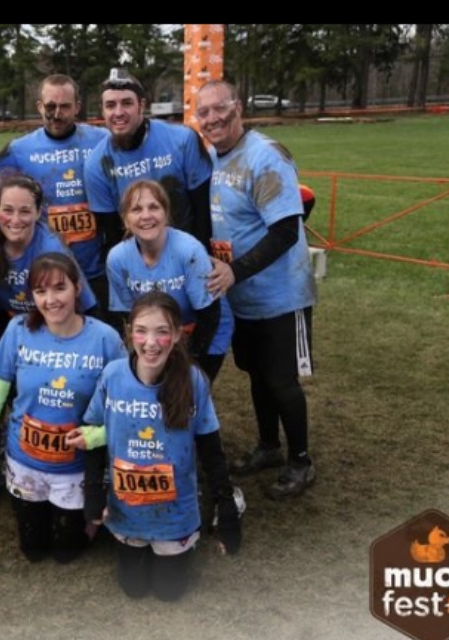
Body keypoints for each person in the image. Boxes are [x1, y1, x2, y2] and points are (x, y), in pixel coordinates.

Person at [67, 292, 242, 601]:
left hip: (175, 514)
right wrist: (93, 492)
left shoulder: (194, 381)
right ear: (129, 332)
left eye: (161, 332)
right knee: (133, 590)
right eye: (141, 331)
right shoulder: (112, 376)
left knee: (168, 593)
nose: (150, 343)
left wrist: (225, 505)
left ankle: (182, 544)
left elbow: (210, 447)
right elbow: (92, 433)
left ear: (176, 335)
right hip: (127, 513)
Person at [197, 80, 318, 499]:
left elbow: (286, 231)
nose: (212, 118)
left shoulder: (265, 155)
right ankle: (269, 446)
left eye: (219, 108)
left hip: (282, 296)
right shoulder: (212, 158)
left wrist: (235, 271)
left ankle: (301, 461)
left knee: (282, 381)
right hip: (242, 298)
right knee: (257, 374)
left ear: (239, 108)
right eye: (203, 112)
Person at [0, 253, 125, 562]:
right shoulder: (18, 329)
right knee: (33, 550)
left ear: (77, 288)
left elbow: (127, 407)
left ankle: (91, 518)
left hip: (76, 468)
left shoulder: (105, 339)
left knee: (67, 552)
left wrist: (96, 437)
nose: (51, 300)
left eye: (59, 288)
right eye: (41, 291)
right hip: (25, 461)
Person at [0, 175, 99, 509]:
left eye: (25, 211)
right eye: (7, 210)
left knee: (51, 398)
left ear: (39, 212)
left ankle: (82, 467)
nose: (15, 219)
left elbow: (84, 306)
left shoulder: (50, 248)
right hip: (10, 328)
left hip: (54, 327)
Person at [0, 74, 110, 309]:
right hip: (46, 272)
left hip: (96, 269)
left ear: (77, 107)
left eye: (65, 106)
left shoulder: (102, 140)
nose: (57, 114)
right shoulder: (17, 150)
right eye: (50, 106)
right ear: (39, 106)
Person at [106, 180, 231, 381]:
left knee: (186, 390)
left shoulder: (189, 250)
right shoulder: (117, 258)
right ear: (125, 220)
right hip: (157, 335)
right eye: (136, 209)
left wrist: (184, 362)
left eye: (154, 207)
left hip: (204, 330)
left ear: (166, 214)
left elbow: (209, 316)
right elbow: (127, 314)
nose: (146, 215)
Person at [84, 69, 213, 251]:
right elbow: (111, 235)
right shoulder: (96, 164)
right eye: (110, 105)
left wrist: (200, 257)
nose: (118, 112)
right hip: (138, 256)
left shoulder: (183, 139)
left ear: (141, 105)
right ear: (102, 111)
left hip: (188, 249)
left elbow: (203, 211)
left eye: (127, 103)